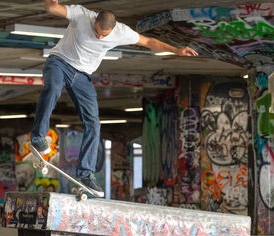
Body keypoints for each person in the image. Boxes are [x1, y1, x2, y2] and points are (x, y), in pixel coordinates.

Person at [30, 0, 198, 197]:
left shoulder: (121, 32)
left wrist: (177, 50)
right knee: (53, 89)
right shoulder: (82, 15)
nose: (99, 36)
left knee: (93, 123)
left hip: (82, 77)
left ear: (112, 30)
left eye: (104, 35)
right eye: (97, 32)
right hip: (59, 63)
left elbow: (148, 42)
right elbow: (53, 9)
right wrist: (50, 4)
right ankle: (38, 137)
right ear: (95, 21)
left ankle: (86, 174)